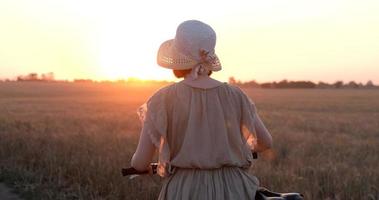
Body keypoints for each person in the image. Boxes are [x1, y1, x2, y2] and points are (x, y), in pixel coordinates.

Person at [131, 20, 273, 200]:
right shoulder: (236, 95)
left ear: (177, 59)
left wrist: (141, 164)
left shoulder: (162, 99)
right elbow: (266, 142)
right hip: (236, 189)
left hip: (185, 190)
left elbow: (141, 162)